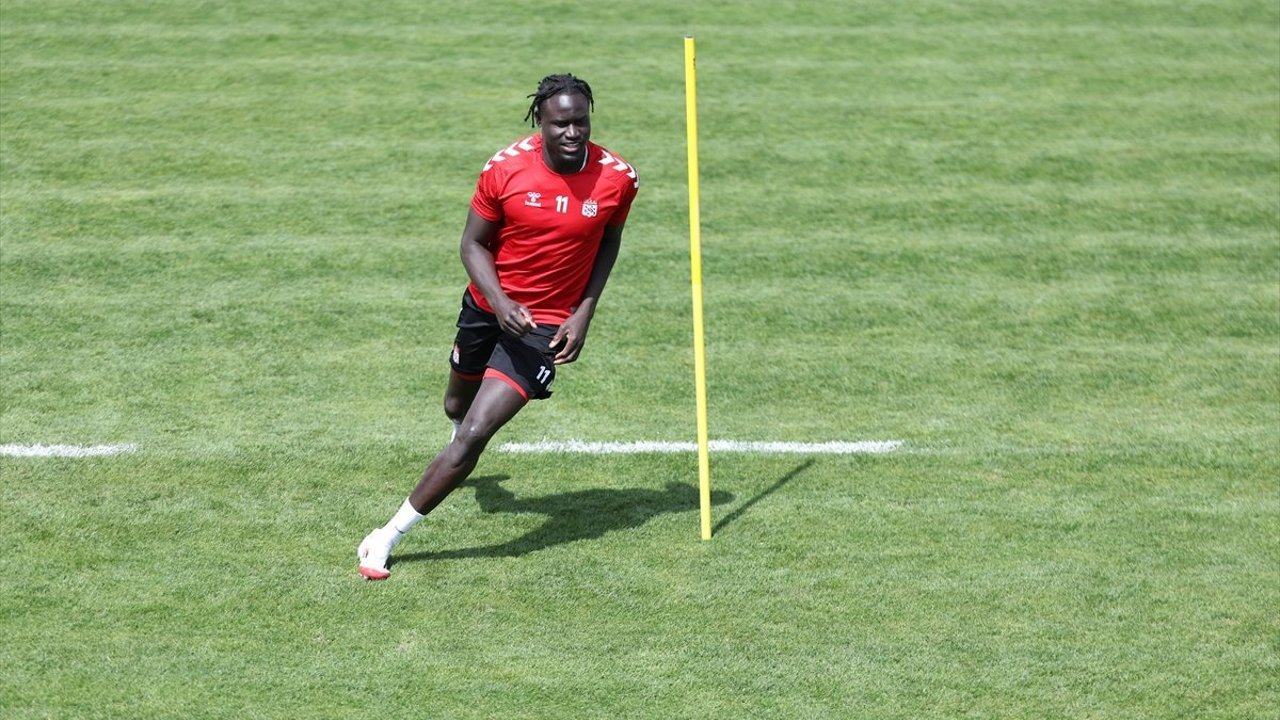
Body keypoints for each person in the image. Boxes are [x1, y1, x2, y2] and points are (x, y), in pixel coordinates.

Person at [357, 73, 639, 580]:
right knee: (455, 407)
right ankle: (456, 454)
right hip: (489, 306)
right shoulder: (505, 170)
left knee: (475, 431)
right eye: (561, 124)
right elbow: (472, 243)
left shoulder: (618, 178)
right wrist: (502, 301)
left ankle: (386, 536)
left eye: (581, 122)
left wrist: (584, 311)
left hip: (543, 325)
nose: (573, 133)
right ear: (540, 123)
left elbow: (609, 240)